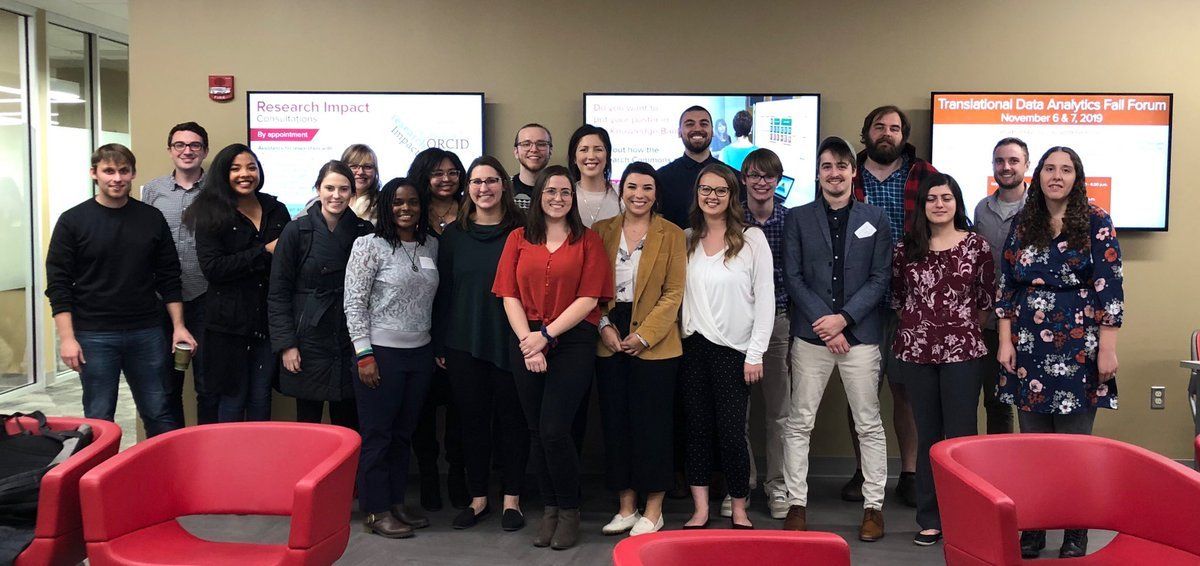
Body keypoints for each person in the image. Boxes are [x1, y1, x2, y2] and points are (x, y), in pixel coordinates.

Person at [996, 146, 1123, 559]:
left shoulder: (1096, 220)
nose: (1056, 176)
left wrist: (1107, 350)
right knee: (1032, 447)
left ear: (1076, 176)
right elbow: (1008, 285)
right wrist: (1004, 340)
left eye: (1065, 170)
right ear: (1040, 174)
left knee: (1073, 449)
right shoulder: (1024, 220)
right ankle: (1032, 529)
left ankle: (1075, 531)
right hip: (1027, 342)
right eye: (1049, 168)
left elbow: (1110, 288)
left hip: (1079, 344)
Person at [492, 165, 613, 550]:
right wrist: (529, 340)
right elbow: (508, 293)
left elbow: (590, 298)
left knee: (554, 430)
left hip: (571, 340)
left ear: (573, 198)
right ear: (539, 195)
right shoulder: (517, 238)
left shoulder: (589, 241)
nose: (558, 198)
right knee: (536, 431)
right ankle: (549, 510)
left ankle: (569, 509)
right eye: (551, 191)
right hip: (525, 337)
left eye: (565, 192)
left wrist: (546, 336)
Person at [781, 137, 890, 542]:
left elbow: (881, 278)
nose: (834, 173)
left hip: (859, 336)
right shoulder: (798, 218)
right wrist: (825, 324)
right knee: (799, 423)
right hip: (811, 337)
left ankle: (873, 507)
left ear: (853, 171)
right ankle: (797, 503)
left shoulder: (875, 218)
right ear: (818, 173)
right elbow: (793, 278)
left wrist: (843, 320)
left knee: (869, 424)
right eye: (827, 166)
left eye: (842, 165)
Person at [45, 143, 193, 436]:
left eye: (123, 171)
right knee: (100, 418)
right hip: (94, 335)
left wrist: (178, 326)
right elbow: (58, 284)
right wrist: (67, 339)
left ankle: (166, 477)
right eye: (108, 171)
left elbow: (169, 276)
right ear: (94, 174)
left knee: (159, 410)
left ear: (133, 174)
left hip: (147, 331)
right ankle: (98, 481)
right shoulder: (73, 221)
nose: (117, 178)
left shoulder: (151, 218)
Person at [891, 173, 995, 546]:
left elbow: (985, 302)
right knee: (928, 437)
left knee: (962, 436)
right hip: (917, 353)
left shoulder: (976, 246)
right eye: (932, 198)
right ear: (922, 207)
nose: (939, 204)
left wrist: (954, 329)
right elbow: (899, 296)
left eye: (946, 197)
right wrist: (927, 329)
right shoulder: (906, 249)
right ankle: (930, 518)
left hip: (963, 353)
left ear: (957, 203)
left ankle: (966, 514)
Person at [844, 105, 938, 506]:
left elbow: (945, 226)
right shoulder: (846, 174)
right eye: (879, 127)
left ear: (904, 135)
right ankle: (866, 471)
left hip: (912, 303)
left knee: (906, 391)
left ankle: (910, 474)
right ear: (865, 133)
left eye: (895, 128)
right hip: (858, 299)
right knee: (859, 390)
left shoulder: (925, 176)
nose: (887, 133)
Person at [434, 156, 530, 532]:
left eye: (491, 181)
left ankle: (512, 501)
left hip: (512, 339)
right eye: (476, 181)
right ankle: (478, 500)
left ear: (503, 186)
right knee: (471, 422)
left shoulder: (522, 230)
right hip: (463, 341)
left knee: (513, 422)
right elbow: (442, 292)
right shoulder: (453, 235)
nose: (484, 188)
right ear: (467, 188)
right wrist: (440, 342)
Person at [593, 162, 686, 537]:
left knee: (654, 428)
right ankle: (627, 507)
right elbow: (590, 288)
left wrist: (644, 335)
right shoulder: (601, 232)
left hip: (656, 344)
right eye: (632, 186)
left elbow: (674, 292)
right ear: (621, 189)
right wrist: (604, 327)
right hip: (610, 335)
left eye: (647, 188)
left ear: (656, 193)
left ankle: (654, 509)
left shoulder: (673, 234)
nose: (639, 194)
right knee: (617, 426)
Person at [680, 163, 773, 531]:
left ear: (732, 195)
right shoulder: (685, 238)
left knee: (733, 435)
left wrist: (755, 353)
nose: (712, 196)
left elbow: (766, 301)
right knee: (697, 431)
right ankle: (700, 509)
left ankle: (738, 507)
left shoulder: (752, 240)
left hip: (735, 352)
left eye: (721, 190)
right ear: (697, 193)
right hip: (692, 349)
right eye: (706, 189)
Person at [345, 177, 439, 539]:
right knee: (378, 434)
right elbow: (353, 302)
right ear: (387, 205)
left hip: (420, 352)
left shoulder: (431, 244)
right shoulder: (369, 245)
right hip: (379, 353)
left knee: (403, 434)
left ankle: (396, 502)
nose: (406, 208)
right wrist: (363, 354)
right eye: (398, 202)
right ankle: (375, 510)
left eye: (413, 202)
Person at [184, 143, 289, 423]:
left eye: (251, 167)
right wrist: (264, 252)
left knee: (261, 397)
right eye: (236, 168)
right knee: (232, 398)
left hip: (268, 322)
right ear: (223, 174)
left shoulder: (276, 209)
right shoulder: (209, 213)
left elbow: (289, 263)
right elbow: (214, 269)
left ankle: (257, 464)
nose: (245, 174)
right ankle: (228, 464)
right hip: (228, 325)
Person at [268, 160, 372, 428]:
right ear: (317, 189)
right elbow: (278, 292)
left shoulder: (365, 232)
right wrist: (287, 344)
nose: (336, 196)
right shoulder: (296, 231)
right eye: (329, 188)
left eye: (343, 189)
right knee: (308, 420)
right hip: (307, 336)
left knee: (348, 418)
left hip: (349, 334)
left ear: (353, 192)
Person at [406, 147, 469, 510]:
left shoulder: (471, 212)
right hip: (417, 327)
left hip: (459, 325)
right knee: (422, 411)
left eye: (452, 172)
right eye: (437, 173)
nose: (446, 179)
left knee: (461, 411)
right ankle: (429, 477)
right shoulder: (410, 213)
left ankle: (458, 477)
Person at [142, 121, 215, 425]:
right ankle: (174, 447)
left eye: (195, 145)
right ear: (170, 150)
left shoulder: (218, 190)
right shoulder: (152, 191)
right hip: (161, 300)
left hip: (207, 296)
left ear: (205, 151)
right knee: (166, 383)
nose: (187, 151)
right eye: (180, 145)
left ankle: (207, 450)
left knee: (208, 383)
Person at [738, 148, 791, 520]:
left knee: (779, 412)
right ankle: (742, 484)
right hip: (735, 325)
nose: (761, 182)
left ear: (778, 180)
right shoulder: (730, 220)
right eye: (754, 175)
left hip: (779, 324)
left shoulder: (792, 221)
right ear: (744, 179)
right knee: (735, 412)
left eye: (768, 176)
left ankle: (778, 487)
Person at [972, 137, 1029, 434]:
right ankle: (999, 472)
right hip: (992, 322)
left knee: (1032, 401)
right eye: (999, 161)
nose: (1006, 167)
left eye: (1013, 161)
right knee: (996, 399)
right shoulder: (981, 209)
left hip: (1032, 322)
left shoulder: (1041, 209)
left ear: (1027, 165)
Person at [657, 105, 722, 228]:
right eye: (689, 124)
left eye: (704, 124)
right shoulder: (661, 178)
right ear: (679, 132)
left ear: (712, 132)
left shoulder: (732, 177)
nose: (697, 129)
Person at [568, 124, 621, 228]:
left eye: (598, 149)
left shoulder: (621, 195)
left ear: (607, 156)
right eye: (584, 150)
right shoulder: (566, 196)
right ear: (574, 158)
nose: (591, 156)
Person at [512, 123, 553, 210]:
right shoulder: (503, 189)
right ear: (516, 152)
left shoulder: (560, 191)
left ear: (550, 151)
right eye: (526, 144)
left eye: (541, 144)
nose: (534, 149)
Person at [343, 144, 381, 224]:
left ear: (375, 171)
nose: (360, 172)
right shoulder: (330, 200)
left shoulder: (383, 204)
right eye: (354, 166)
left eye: (367, 167)